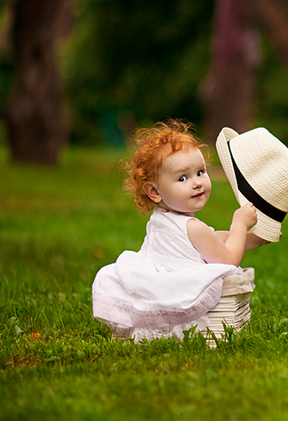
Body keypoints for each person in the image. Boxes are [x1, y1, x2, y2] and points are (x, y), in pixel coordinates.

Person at [91, 120, 267, 342]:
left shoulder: (161, 219)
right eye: (183, 178)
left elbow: (213, 240)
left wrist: (255, 239)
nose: (197, 183)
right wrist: (239, 224)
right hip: (179, 285)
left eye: (200, 172)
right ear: (154, 191)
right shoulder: (193, 227)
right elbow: (228, 260)